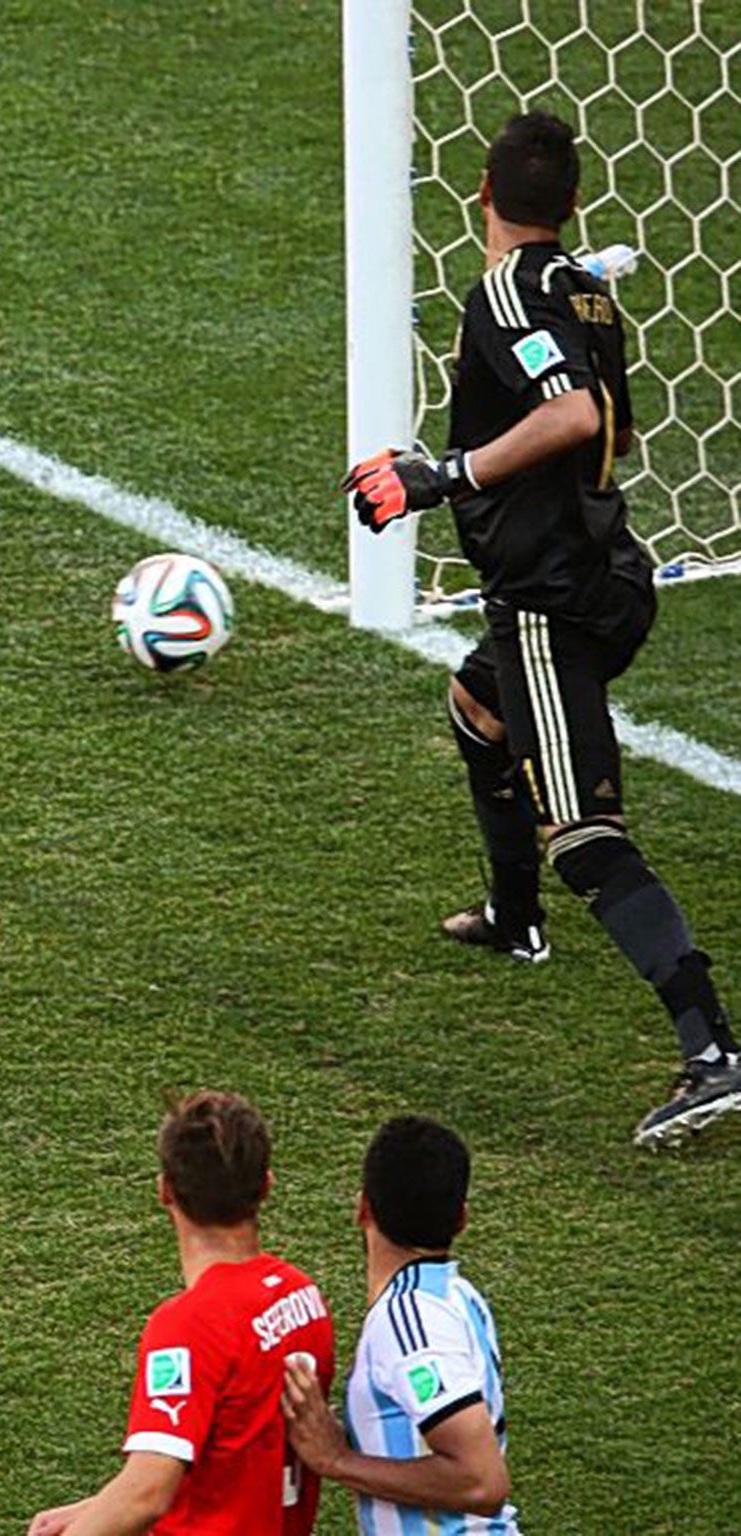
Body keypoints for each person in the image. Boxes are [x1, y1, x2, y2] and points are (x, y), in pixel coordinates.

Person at [344, 110, 741, 1147]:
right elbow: (610, 422)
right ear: (569, 202)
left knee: (586, 835)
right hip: (603, 568)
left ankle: (711, 1052)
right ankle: (512, 919)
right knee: (475, 710)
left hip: (549, 603)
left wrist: (446, 476)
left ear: (480, 195)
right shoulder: (583, 292)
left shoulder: (507, 290)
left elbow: (568, 417)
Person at [26, 1091, 335, 1536]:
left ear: (164, 1190)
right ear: (266, 1185)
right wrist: (95, 1509)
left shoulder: (190, 1324)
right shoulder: (302, 1296)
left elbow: (148, 1494)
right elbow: (232, 1454)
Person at [281, 1117, 519, 1534]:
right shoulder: (455, 1297)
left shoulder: (411, 1322)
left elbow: (483, 1481)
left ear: (363, 1208)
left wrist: (337, 1459)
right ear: (461, 1219)